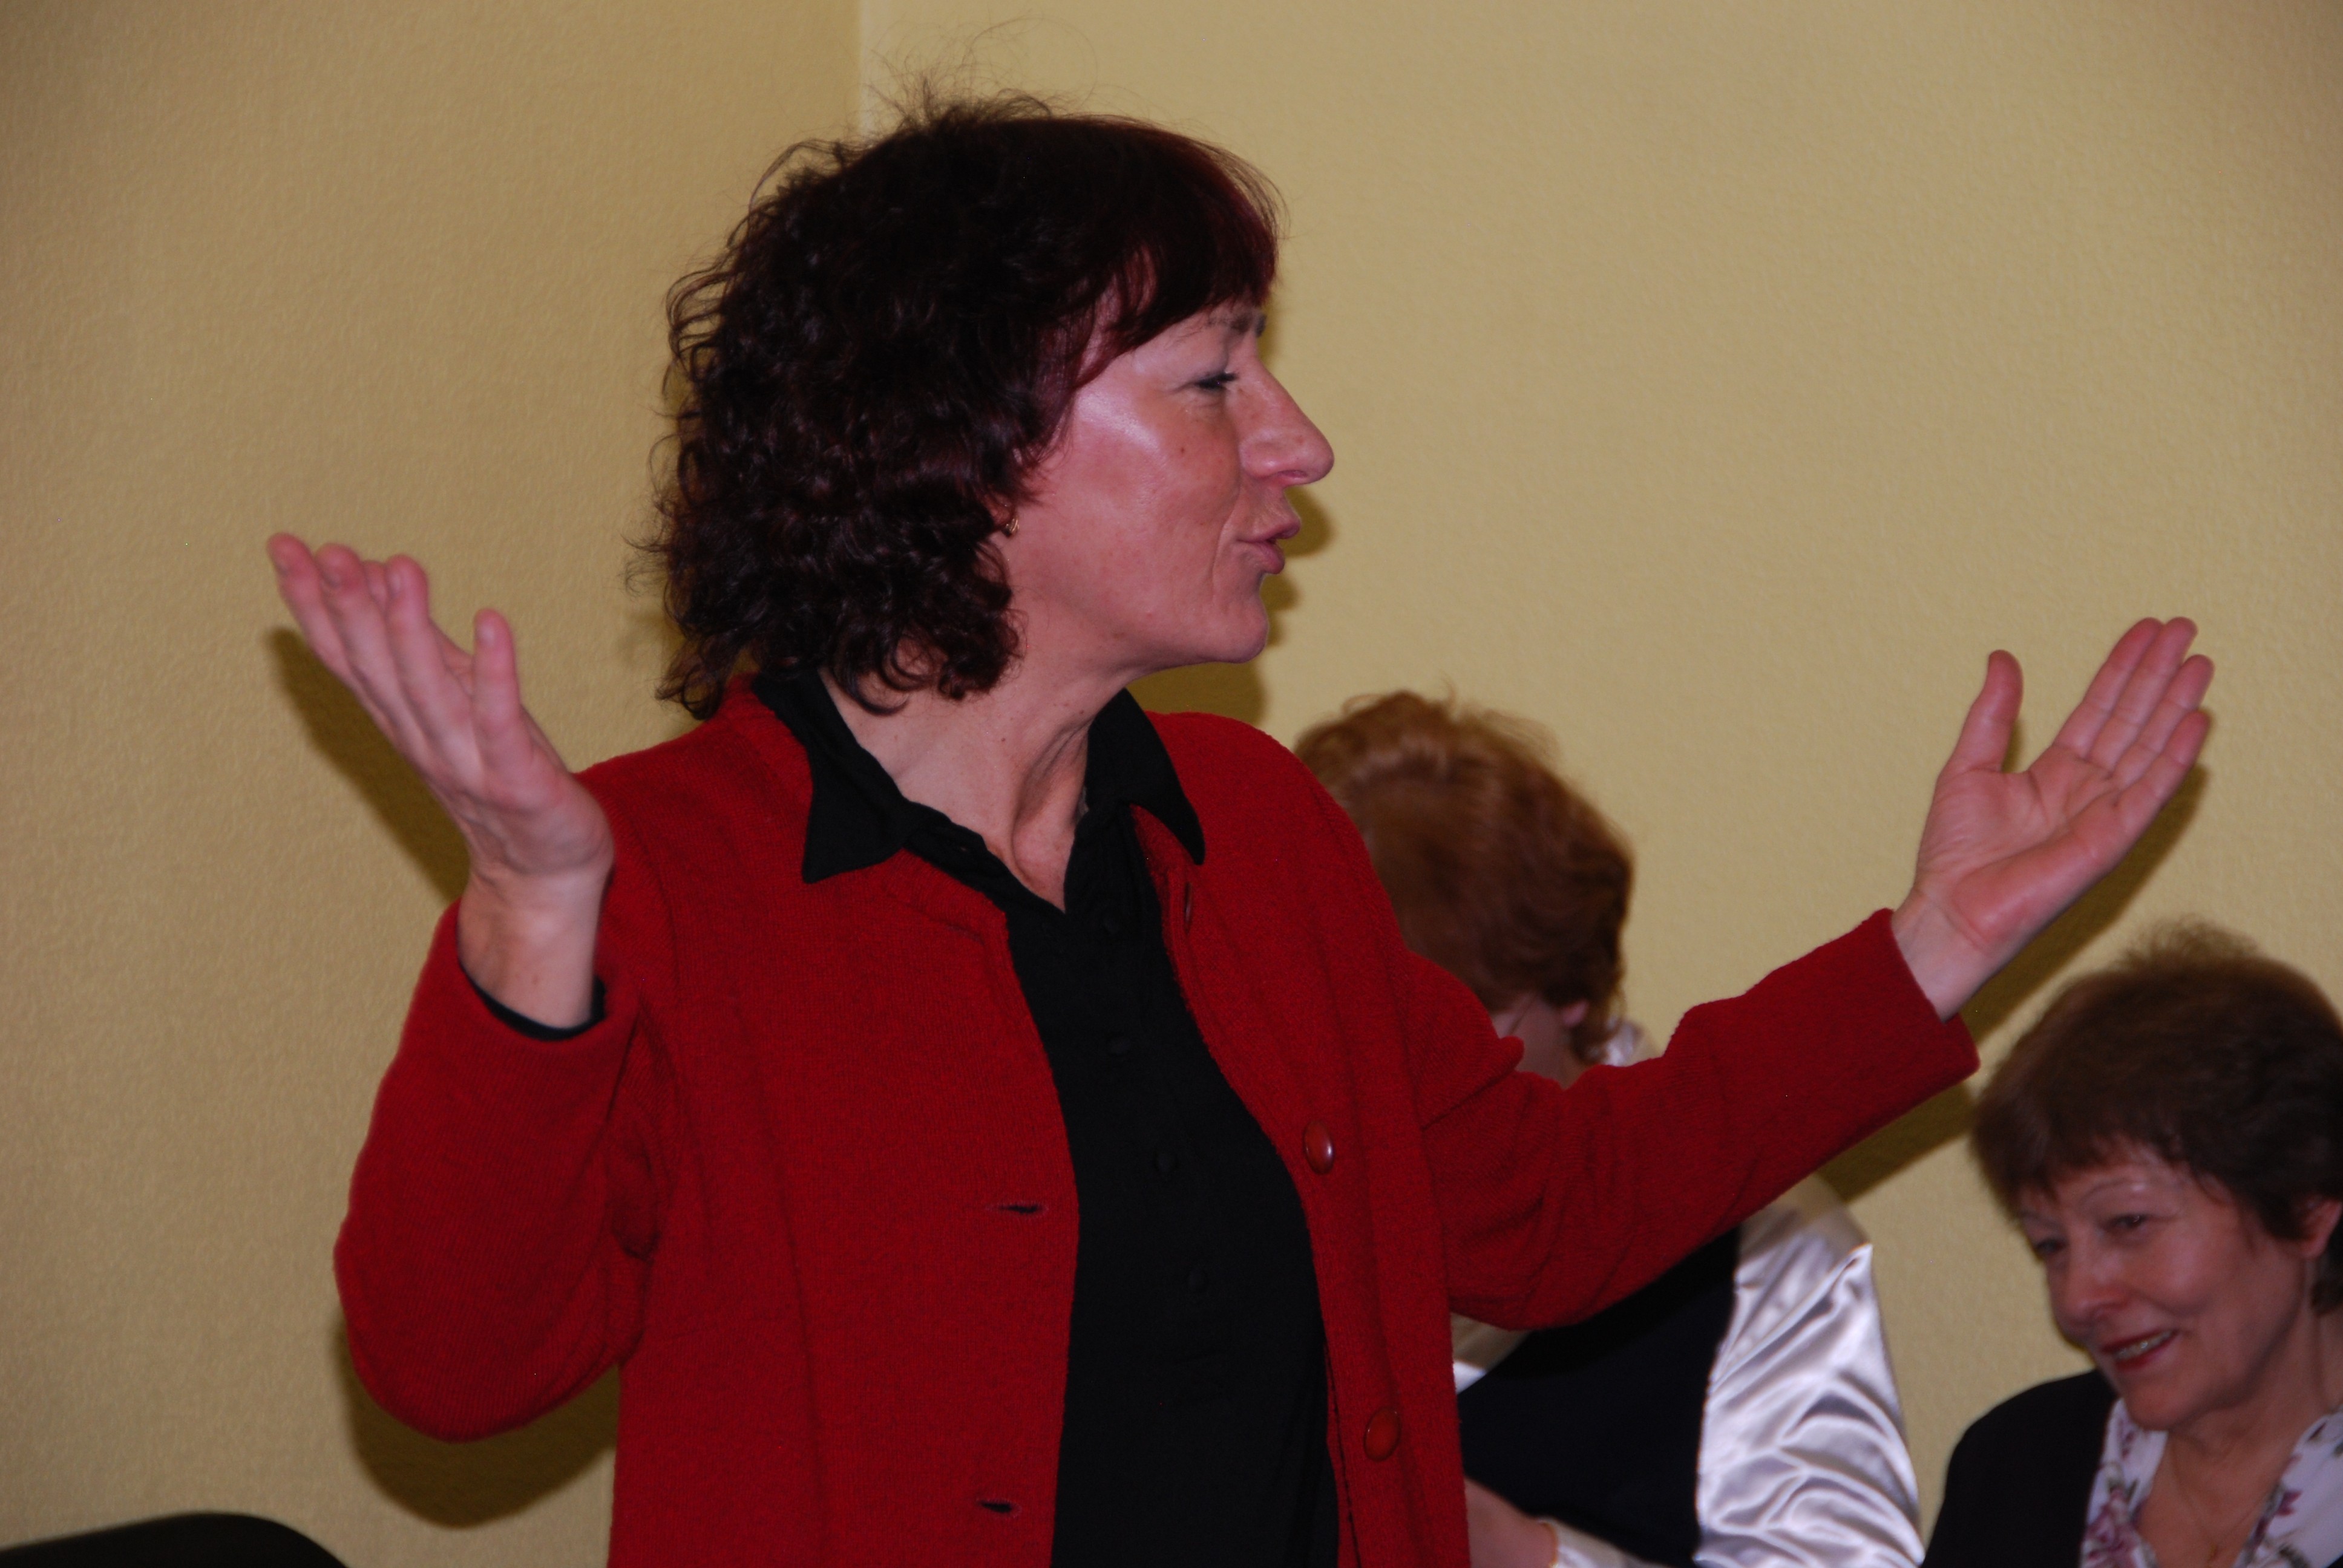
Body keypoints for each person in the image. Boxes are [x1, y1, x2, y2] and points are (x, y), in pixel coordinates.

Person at [264, 93, 2212, 1568]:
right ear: (968, 448)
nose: (1297, 444)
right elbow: (454, 1371)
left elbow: (1551, 1214)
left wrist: (1937, 942)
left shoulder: (1252, 834)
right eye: (1214, 376)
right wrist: (531, 918)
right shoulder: (672, 870)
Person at [1299, 691, 1927, 1568]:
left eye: (1460, 1029)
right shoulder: (1263, 1180)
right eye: (1354, 1040)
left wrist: (1533, 1558)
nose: (1399, 1084)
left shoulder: (1760, 1239)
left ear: (1569, 985)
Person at [1927, 925, 2343, 1568]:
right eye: (2049, 1246)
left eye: (2128, 1223)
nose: (2077, 1299)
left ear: (2303, 1206)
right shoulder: (2014, 1467)